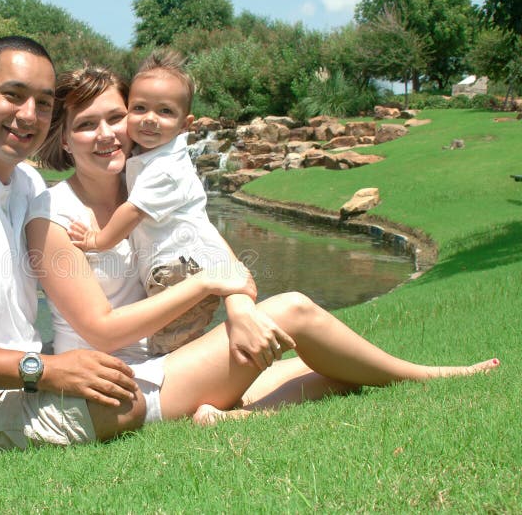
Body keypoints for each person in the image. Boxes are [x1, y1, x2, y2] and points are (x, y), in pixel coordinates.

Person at [25, 64, 500, 427]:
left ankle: (235, 417)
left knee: (336, 368)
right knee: (292, 309)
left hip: (168, 362)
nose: (108, 135)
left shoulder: (153, 196)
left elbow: (233, 269)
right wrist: (207, 285)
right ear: (63, 138)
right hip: (119, 387)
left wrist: (238, 309)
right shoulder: (53, 215)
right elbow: (104, 331)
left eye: (115, 117)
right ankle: (427, 376)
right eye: (87, 125)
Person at [0, 37, 249, 462]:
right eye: (13, 95)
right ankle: (218, 401)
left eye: (43, 103)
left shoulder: (26, 185)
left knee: (272, 339)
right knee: (121, 399)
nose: (28, 114)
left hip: (16, 386)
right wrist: (43, 370)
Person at [68, 49, 230, 356]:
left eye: (165, 112)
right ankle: (207, 398)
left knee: (171, 350)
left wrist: (97, 239)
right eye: (140, 108)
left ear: (186, 124)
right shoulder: (148, 155)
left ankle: (203, 400)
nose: (150, 120)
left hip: (179, 271)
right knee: (180, 343)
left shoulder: (166, 168)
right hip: (179, 269)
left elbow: (132, 211)